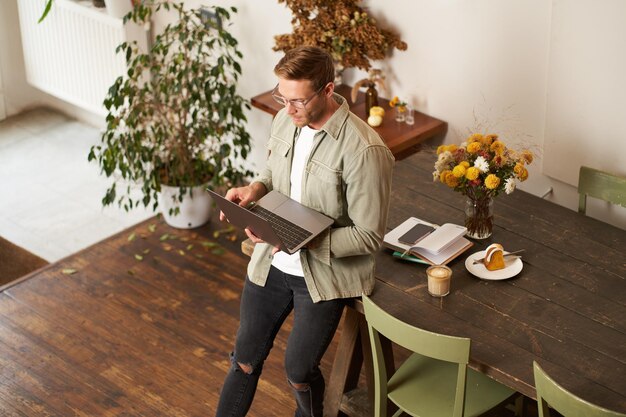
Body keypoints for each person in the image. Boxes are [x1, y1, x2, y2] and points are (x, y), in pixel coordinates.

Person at [215, 46, 394, 417]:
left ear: (328, 90)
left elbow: (368, 236)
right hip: (272, 263)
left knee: (298, 372)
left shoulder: (364, 150)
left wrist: (301, 241)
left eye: (298, 100)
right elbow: (271, 174)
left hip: (323, 276)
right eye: (283, 97)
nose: (288, 108)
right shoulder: (286, 119)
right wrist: (254, 191)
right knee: (243, 360)